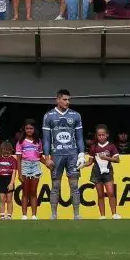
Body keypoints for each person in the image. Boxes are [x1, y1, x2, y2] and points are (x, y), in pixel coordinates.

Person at [41, 89, 84, 221]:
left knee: (74, 185)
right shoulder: (49, 116)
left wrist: (81, 154)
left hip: (72, 154)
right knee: (55, 186)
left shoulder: (75, 115)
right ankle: (54, 214)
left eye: (68, 99)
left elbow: (80, 138)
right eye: (65, 99)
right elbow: (46, 139)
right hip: (56, 155)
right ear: (57, 100)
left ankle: (77, 215)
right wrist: (47, 157)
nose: (67, 102)